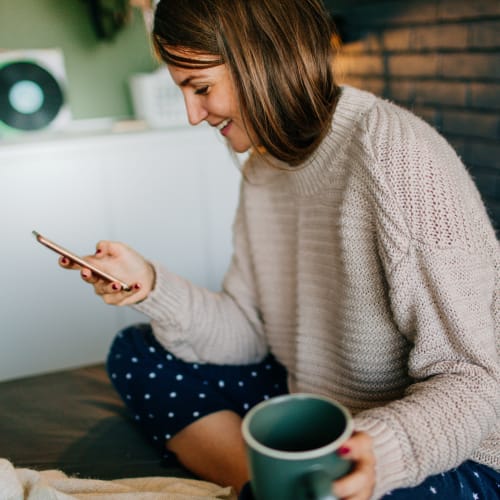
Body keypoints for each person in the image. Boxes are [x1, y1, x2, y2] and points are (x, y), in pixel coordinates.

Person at [59, 0, 500, 498]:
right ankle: (276, 486)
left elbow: (479, 380)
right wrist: (152, 287)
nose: (192, 115)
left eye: (200, 88)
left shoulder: (393, 152)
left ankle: (285, 486)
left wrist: (380, 450)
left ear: (263, 59)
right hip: (317, 406)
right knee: (137, 350)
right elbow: (249, 332)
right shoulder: (263, 169)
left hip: (448, 450)